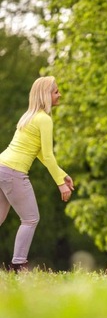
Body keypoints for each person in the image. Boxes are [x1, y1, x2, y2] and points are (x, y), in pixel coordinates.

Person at [0, 76, 74, 272]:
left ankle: (18, 263)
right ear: (46, 95)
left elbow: (40, 153)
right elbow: (48, 155)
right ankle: (18, 264)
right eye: (56, 91)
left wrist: (62, 174)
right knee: (31, 218)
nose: (59, 95)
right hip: (13, 171)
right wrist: (60, 183)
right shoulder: (44, 119)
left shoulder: (29, 116)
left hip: (2, 167)